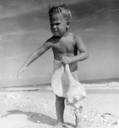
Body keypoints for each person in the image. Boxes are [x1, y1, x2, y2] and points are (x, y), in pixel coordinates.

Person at [17, 3, 88, 128]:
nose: (54, 27)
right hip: (59, 75)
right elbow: (37, 53)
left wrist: (71, 59)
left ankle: (78, 121)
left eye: (57, 23)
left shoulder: (75, 38)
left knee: (76, 99)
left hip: (72, 73)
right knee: (59, 98)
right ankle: (59, 121)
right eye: (52, 24)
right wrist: (24, 66)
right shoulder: (51, 42)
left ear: (67, 24)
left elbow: (85, 54)